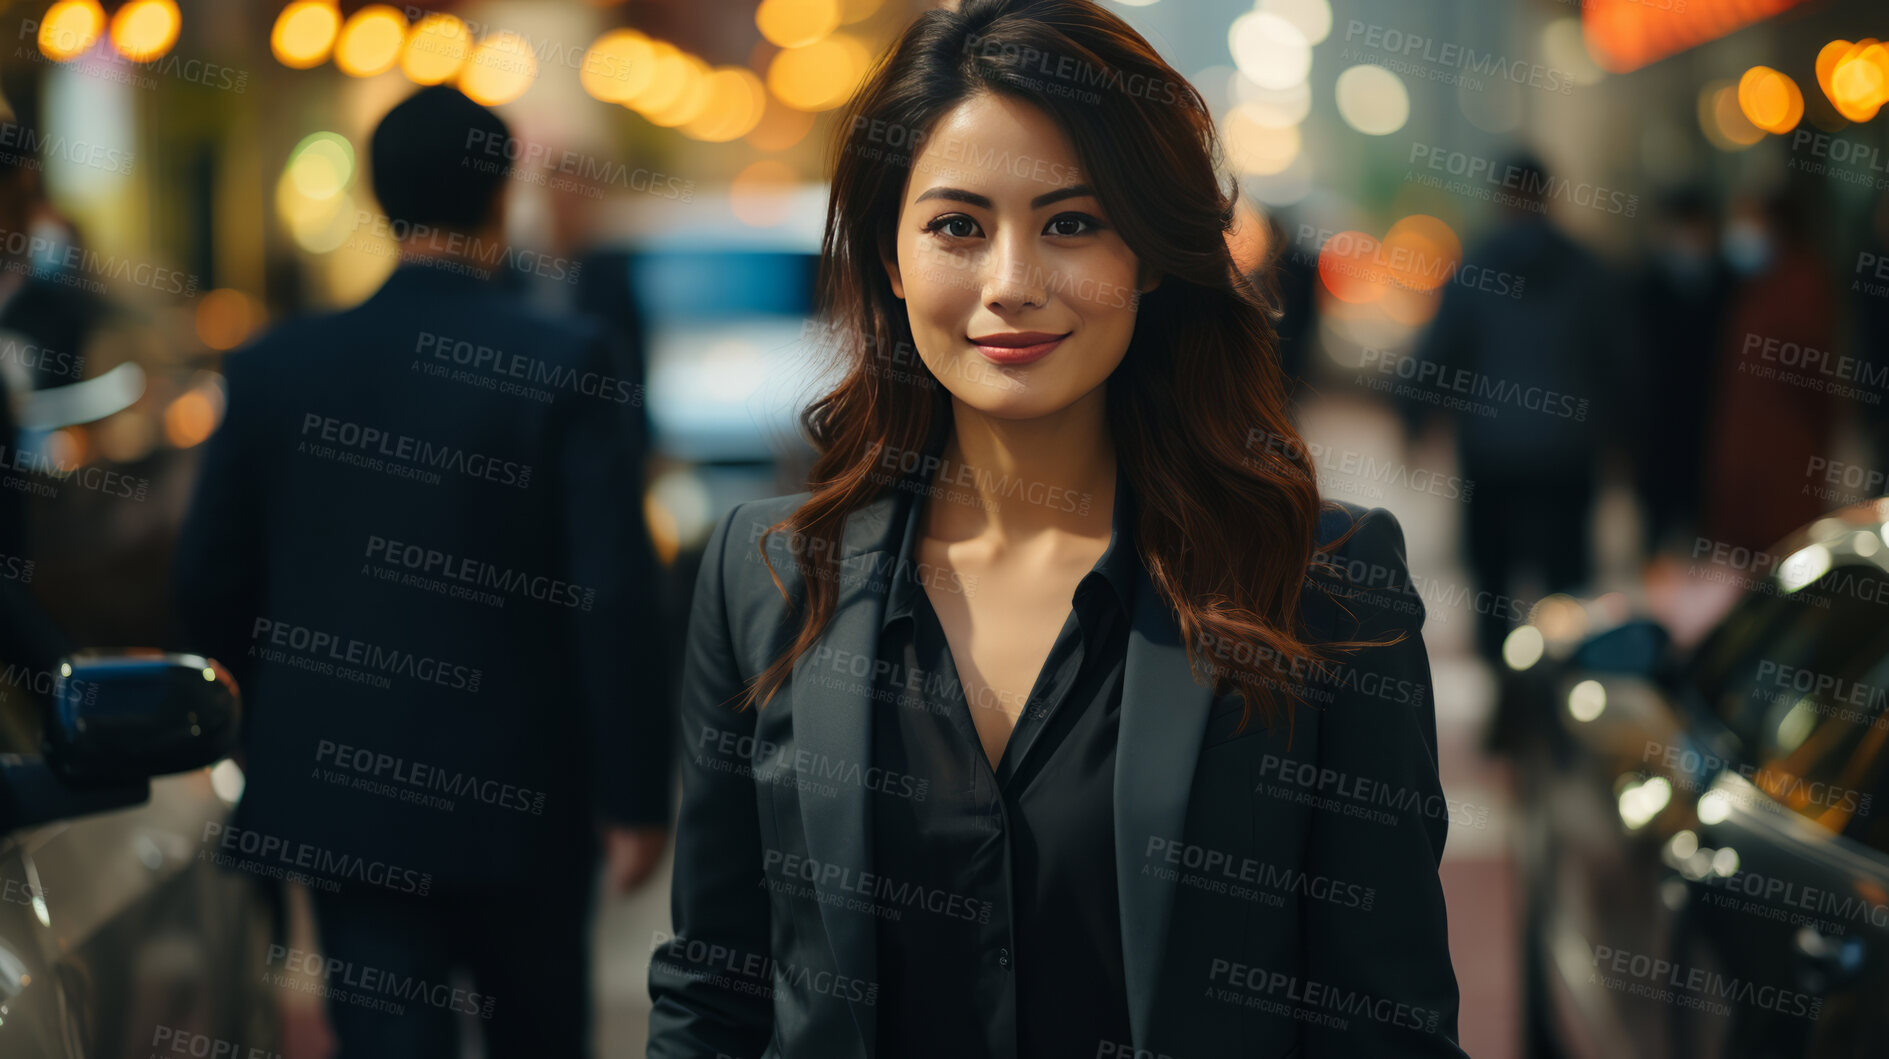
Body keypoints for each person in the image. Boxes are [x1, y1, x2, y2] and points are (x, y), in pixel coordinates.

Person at [647, 2, 1468, 1057]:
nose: (1011, 285)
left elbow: (1382, 1023)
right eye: (956, 226)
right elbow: (714, 988)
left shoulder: (1320, 580)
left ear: (1151, 256)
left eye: (1071, 223)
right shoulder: (764, 577)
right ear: (891, 261)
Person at [173, 86, 673, 1057]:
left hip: (341, 793)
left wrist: (260, 727)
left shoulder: (277, 366)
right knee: (537, 1033)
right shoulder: (566, 360)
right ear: (500, 199)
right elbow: (612, 596)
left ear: (375, 197)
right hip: (523, 795)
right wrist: (636, 795)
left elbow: (208, 579)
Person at [1409, 153, 1632, 664]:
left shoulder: (1476, 267)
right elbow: (1620, 362)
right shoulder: (1587, 270)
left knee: (1492, 587)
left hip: (1492, 456)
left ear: (1504, 197)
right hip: (1566, 455)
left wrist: (1415, 420)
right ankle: (1565, 692)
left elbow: (1438, 353)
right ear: (1547, 197)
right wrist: (1624, 439)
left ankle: (1506, 695)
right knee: (1569, 588)